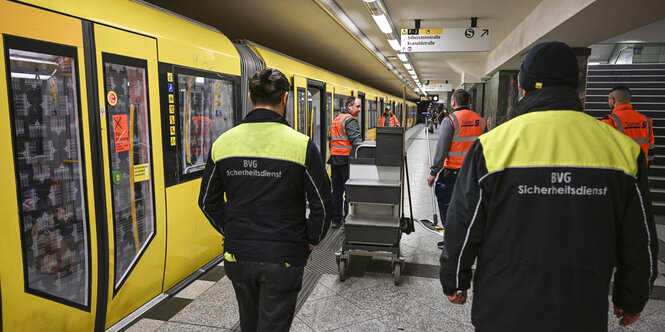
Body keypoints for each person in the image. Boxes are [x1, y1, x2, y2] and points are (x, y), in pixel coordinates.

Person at [439, 41, 658, 331]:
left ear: (521, 85)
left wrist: (455, 279)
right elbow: (639, 237)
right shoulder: (623, 151)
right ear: (576, 86)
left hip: (503, 306)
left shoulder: (492, 146)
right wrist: (632, 296)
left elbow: (464, 221)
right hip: (581, 308)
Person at [198, 68, 332, 332]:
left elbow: (206, 201)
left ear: (250, 97)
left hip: (239, 257)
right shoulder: (302, 145)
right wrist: (310, 239)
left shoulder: (223, 143)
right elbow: (323, 205)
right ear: (285, 98)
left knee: (249, 322)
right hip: (284, 256)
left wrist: (234, 230)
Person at [427, 89, 486, 229]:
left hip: (453, 173)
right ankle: (468, 233)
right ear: (469, 101)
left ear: (453, 102)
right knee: (469, 203)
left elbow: (441, 150)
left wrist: (433, 173)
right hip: (474, 172)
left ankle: (450, 234)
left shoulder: (450, 120)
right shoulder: (481, 120)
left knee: (446, 200)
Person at [328, 96, 363, 228]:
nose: (359, 109)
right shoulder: (350, 120)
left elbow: (330, 137)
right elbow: (356, 141)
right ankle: (348, 220)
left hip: (335, 160)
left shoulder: (337, 119)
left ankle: (336, 219)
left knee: (336, 192)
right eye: (357, 106)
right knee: (349, 191)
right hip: (347, 161)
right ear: (349, 106)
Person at [602, 86, 655, 165]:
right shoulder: (647, 120)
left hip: (621, 171)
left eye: (609, 99)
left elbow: (603, 151)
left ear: (613, 100)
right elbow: (651, 150)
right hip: (641, 169)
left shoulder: (609, 121)